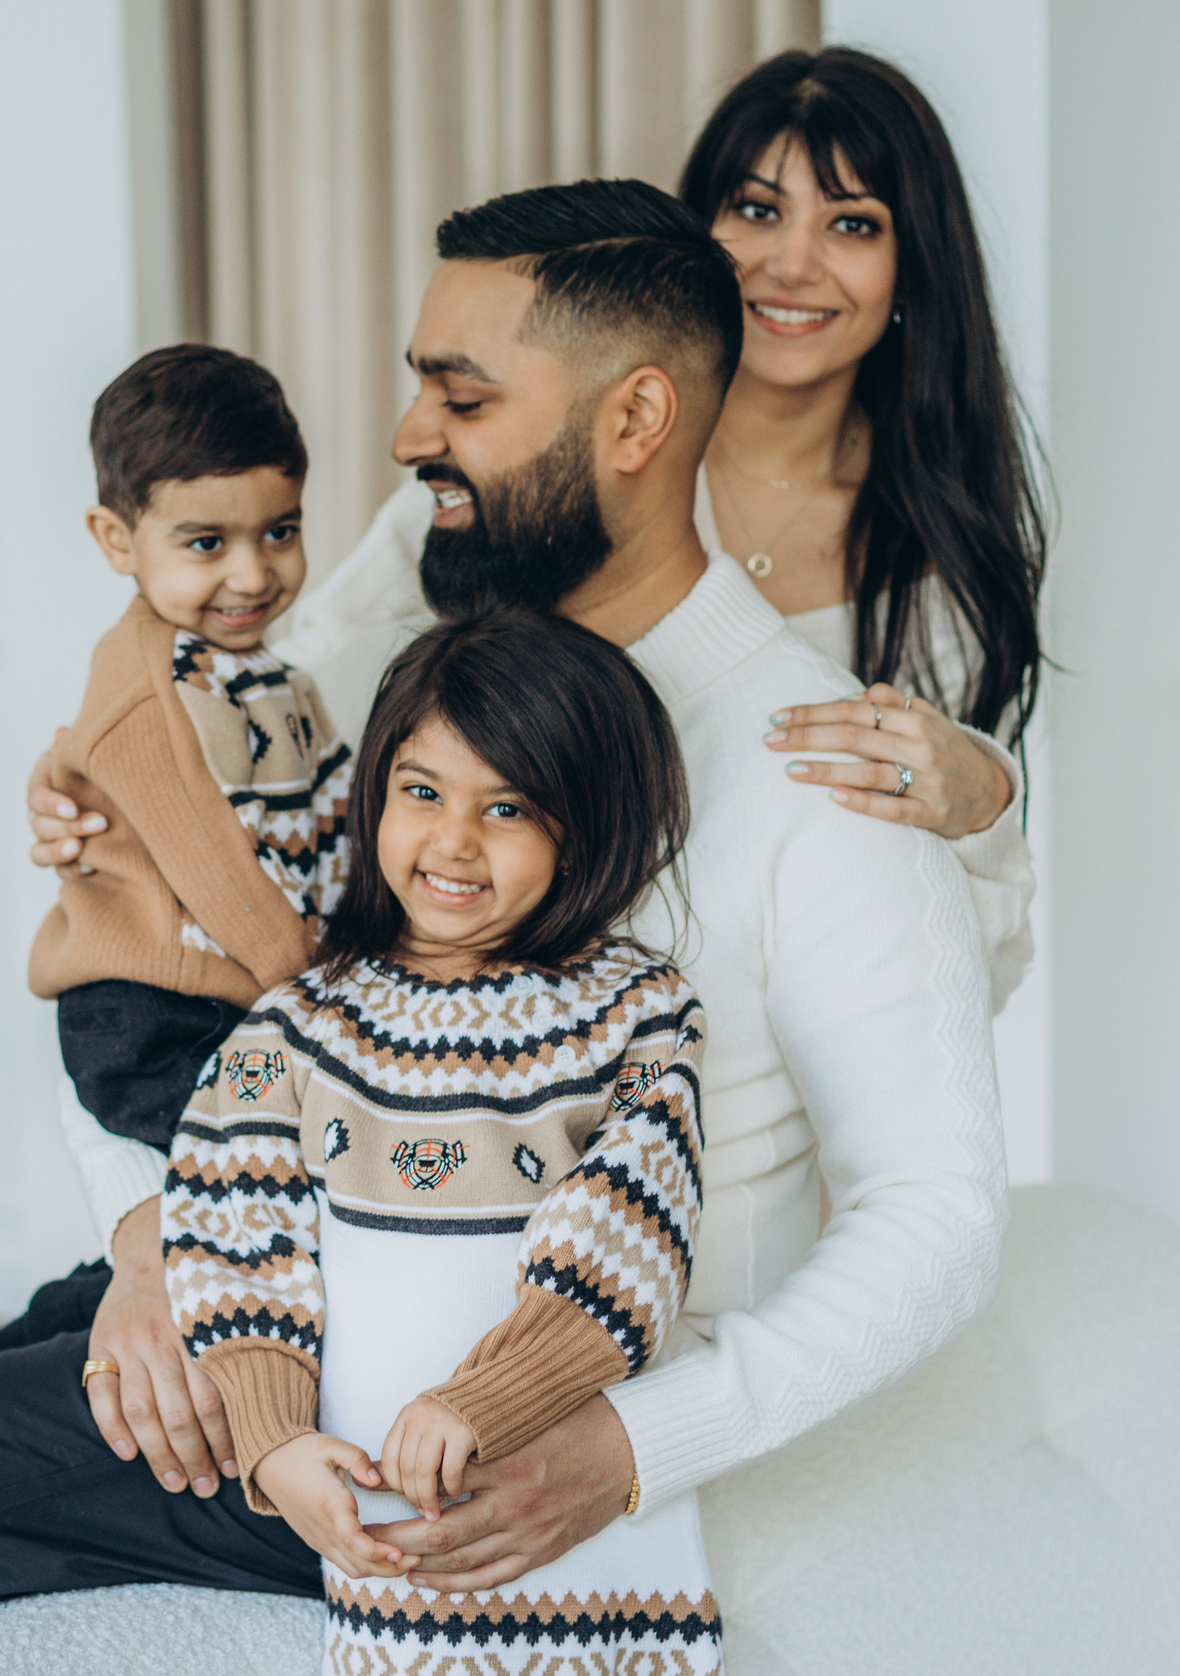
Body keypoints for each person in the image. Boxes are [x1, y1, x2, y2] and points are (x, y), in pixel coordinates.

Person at [0, 174, 1001, 1673]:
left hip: (488, 1429)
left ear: (632, 423)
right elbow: (192, 976)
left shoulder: (824, 767)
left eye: (460, 396)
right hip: (292, 1269)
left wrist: (626, 1444)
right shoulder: (402, 692)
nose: (410, 436)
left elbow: (938, 1214)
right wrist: (156, 1236)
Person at [40, 47, 1045, 1009]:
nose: (789, 262)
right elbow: (278, 690)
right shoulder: (519, 486)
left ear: (914, 266)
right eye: (755, 208)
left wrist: (984, 808)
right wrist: (114, 774)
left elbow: (957, 979)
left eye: (853, 225)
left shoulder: (935, 570)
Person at [168, 607, 715, 1673]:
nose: (453, 841)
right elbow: (230, 1232)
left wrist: (489, 1399)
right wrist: (274, 1437)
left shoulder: (637, 1014)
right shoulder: (297, 1027)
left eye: (507, 807)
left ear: (585, 827)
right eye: (421, 793)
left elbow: (630, 1234)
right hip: (384, 1523)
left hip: (579, 1521)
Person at [25, 344, 350, 1161]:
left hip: (245, 989)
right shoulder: (153, 686)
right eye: (206, 543)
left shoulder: (270, 673)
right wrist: (312, 990)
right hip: (153, 1012)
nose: (252, 573)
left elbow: (339, 806)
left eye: (281, 531)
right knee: (269, 1168)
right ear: (117, 539)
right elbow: (215, 864)